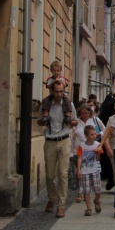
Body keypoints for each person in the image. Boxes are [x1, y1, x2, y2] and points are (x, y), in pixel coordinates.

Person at [37, 80, 77, 218]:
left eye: (61, 91)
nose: (59, 94)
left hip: (64, 140)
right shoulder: (46, 104)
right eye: (57, 91)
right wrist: (43, 120)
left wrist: (70, 122)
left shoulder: (68, 104)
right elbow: (39, 120)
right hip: (50, 141)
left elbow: (75, 120)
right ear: (52, 91)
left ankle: (61, 205)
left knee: (63, 174)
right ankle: (52, 198)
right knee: (49, 175)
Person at [71, 105, 105, 203]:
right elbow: (73, 137)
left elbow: (105, 129)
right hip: (79, 149)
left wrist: (99, 134)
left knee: (89, 170)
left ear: (90, 113)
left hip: (92, 150)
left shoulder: (95, 120)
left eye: (86, 113)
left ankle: (88, 190)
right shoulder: (77, 122)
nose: (84, 115)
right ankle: (80, 192)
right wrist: (71, 152)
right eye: (82, 113)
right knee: (80, 171)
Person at [76, 125, 103, 216]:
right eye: (91, 134)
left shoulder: (97, 145)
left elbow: (99, 159)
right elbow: (80, 158)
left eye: (95, 134)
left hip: (95, 170)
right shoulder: (82, 146)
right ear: (86, 135)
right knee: (86, 190)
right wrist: (79, 169)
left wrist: (97, 153)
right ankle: (89, 208)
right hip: (85, 170)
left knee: (98, 189)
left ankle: (97, 200)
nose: (94, 136)